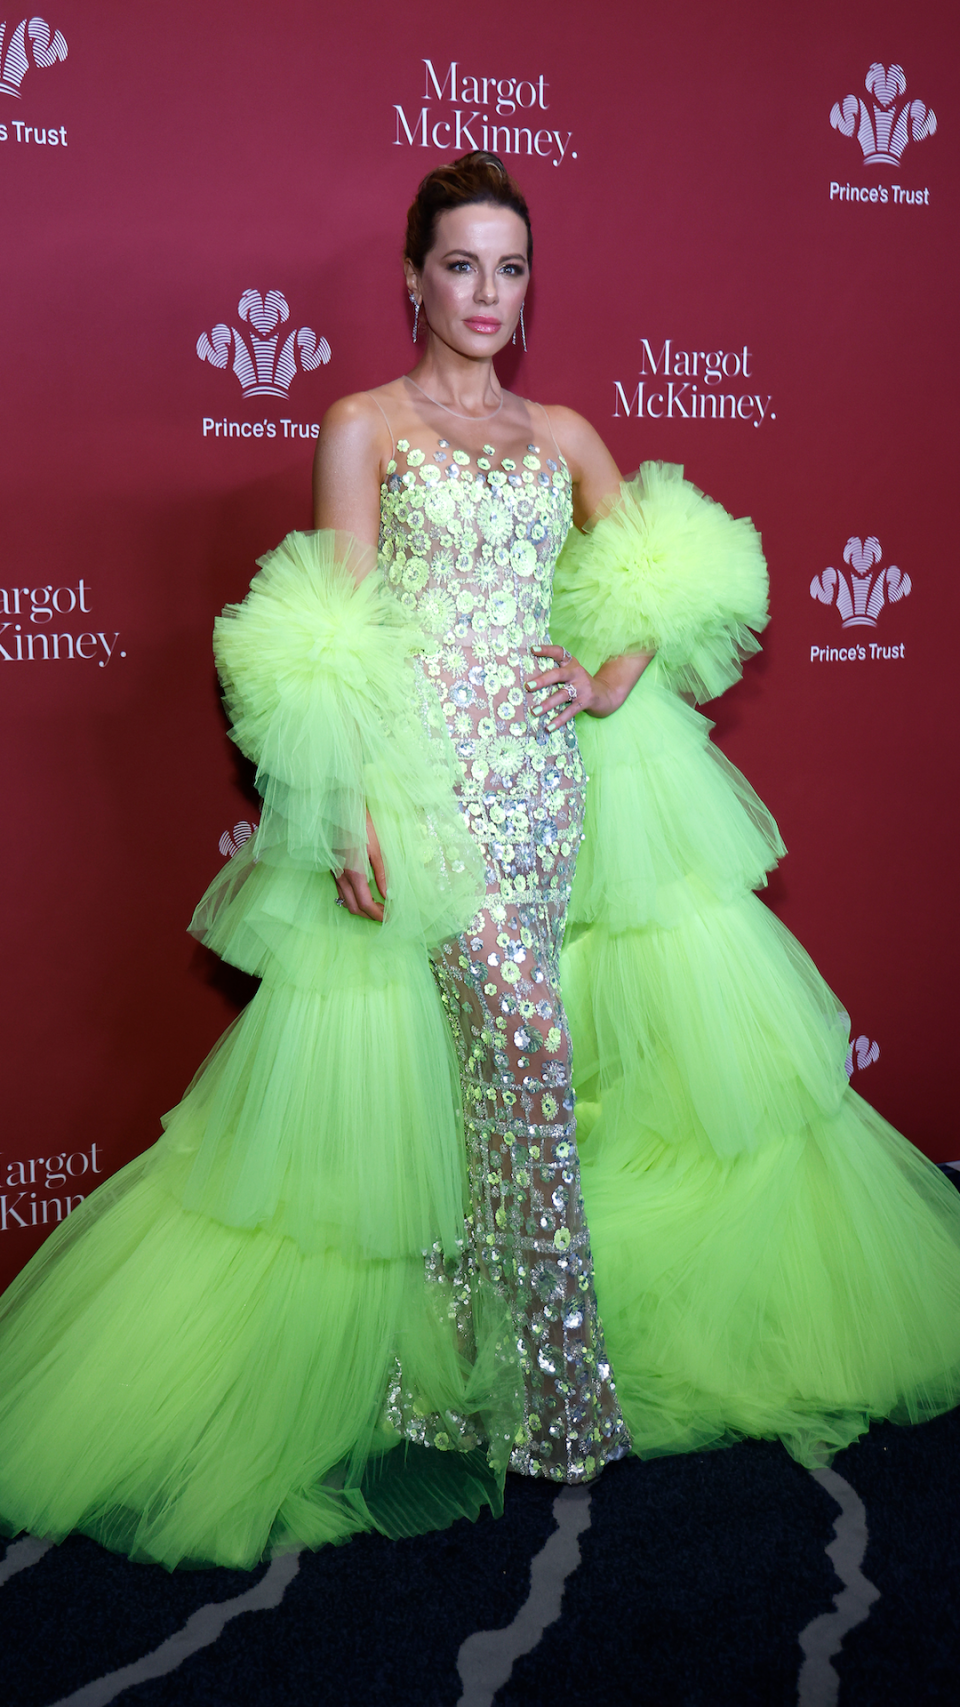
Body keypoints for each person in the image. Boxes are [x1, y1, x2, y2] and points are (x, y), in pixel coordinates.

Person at [1, 153, 959, 1572]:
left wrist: (612, 669)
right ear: (412, 277)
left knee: (514, 1057)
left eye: (511, 268)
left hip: (544, 788)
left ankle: (465, 1367)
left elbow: (674, 571)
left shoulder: (560, 429)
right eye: (462, 265)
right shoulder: (363, 426)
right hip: (423, 788)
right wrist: (354, 810)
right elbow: (324, 633)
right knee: (508, 1041)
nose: (488, 295)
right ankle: (551, 1392)